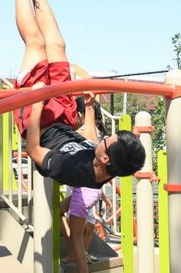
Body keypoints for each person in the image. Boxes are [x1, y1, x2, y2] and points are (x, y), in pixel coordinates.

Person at [3, 0, 146, 189]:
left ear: (104, 158)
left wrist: (37, 105)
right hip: (65, 117)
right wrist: (89, 106)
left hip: (41, 121)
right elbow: (90, 139)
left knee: (36, 44)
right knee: (58, 44)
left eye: (107, 141)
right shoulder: (111, 164)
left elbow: (33, 148)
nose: (104, 138)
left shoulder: (68, 169)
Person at [60, 95, 108, 272]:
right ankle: (79, 252)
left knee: (77, 238)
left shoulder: (81, 133)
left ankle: (77, 256)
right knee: (79, 219)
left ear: (79, 115)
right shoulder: (97, 133)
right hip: (90, 190)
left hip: (82, 191)